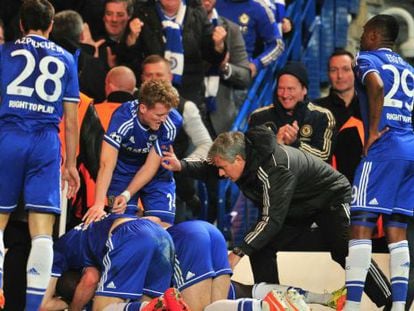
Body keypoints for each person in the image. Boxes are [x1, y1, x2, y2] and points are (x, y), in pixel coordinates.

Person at [161, 125, 393, 309]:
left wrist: (238, 252)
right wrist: (180, 165)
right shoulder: (238, 157)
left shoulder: (273, 169)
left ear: (239, 160)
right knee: (261, 248)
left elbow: (271, 220)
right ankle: (273, 306)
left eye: (223, 169)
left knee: (344, 249)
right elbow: (212, 167)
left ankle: (391, 301)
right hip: (295, 205)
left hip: (329, 197)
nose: (220, 174)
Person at [0, 0, 80, 310]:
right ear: (50, 26)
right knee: (42, 232)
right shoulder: (66, 59)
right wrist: (70, 164)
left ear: (21, 24)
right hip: (46, 143)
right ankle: (33, 306)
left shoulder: (5, 53)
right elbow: (71, 121)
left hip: (9, 136)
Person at [344, 14, 414, 311]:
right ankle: (399, 307)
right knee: (397, 229)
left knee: (361, 223)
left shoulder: (366, 59)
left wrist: (372, 131)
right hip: (410, 149)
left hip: (383, 148)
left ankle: (352, 306)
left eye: (363, 31)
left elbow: (375, 86)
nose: (360, 36)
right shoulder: (409, 67)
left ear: (373, 35)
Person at [83, 79, 182, 227]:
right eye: (159, 114)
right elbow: (106, 163)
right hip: (122, 172)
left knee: (162, 226)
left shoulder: (172, 122)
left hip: (156, 175)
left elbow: (150, 166)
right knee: (121, 225)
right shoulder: (123, 117)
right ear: (143, 108)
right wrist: (98, 204)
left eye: (167, 114)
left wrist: (126, 194)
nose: (164, 119)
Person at [40, 214, 180, 310]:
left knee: (103, 309)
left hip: (130, 235)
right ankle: (161, 305)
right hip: (161, 235)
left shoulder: (58, 251)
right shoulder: (82, 243)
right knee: (152, 304)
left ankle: (148, 307)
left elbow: (90, 280)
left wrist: (73, 306)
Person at [141, 55, 213, 221]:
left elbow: (206, 144)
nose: (154, 80)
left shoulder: (185, 107)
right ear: (142, 78)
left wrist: (182, 165)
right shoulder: (132, 106)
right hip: (135, 185)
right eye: (149, 75)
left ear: (170, 77)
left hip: (173, 189)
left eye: (159, 75)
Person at [133, 0, 227, 119]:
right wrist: (131, 40)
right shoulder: (143, 12)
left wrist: (219, 45)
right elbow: (131, 59)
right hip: (151, 96)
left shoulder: (197, 12)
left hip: (190, 93)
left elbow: (212, 57)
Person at [249, 61, 336, 162]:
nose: (285, 95)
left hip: (309, 177)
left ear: (304, 90)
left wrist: (295, 143)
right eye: (281, 89)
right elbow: (251, 160)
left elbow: (324, 157)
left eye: (291, 89)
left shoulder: (322, 116)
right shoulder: (259, 117)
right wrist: (275, 145)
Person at [201, 0, 251, 137]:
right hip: (187, 111)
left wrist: (224, 67)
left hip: (220, 117)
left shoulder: (231, 29)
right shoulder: (180, 27)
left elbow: (245, 76)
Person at [314, 49, 362, 182]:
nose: (340, 76)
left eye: (346, 69)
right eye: (334, 70)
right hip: (328, 187)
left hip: (365, 186)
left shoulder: (368, 108)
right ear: (328, 74)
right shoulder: (316, 110)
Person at [215, 0, 284, 77]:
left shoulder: (259, 7)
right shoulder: (210, 2)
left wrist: (257, 64)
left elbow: (277, 45)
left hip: (239, 74)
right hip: (208, 69)